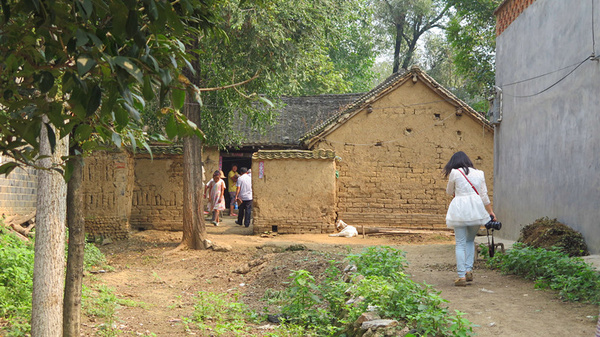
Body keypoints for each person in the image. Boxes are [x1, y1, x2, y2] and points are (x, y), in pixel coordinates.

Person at [443, 151, 496, 287]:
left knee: (460, 243)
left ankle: (461, 276)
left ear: (454, 163)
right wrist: (490, 212)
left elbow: (449, 192)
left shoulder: (455, 173)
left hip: (459, 209)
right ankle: (468, 270)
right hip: (476, 209)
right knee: (470, 241)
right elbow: (484, 195)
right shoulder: (480, 173)